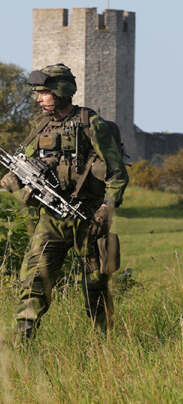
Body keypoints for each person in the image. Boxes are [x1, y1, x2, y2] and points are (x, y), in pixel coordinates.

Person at [0, 63, 128, 340]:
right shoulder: (42, 126)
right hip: (51, 218)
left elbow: (117, 172)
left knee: (96, 285)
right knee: (33, 280)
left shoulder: (90, 123)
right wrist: (14, 180)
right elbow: (24, 165)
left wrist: (107, 207)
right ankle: (22, 344)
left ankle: (104, 344)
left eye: (44, 92)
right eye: (38, 93)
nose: (38, 98)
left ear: (60, 92)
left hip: (90, 217)